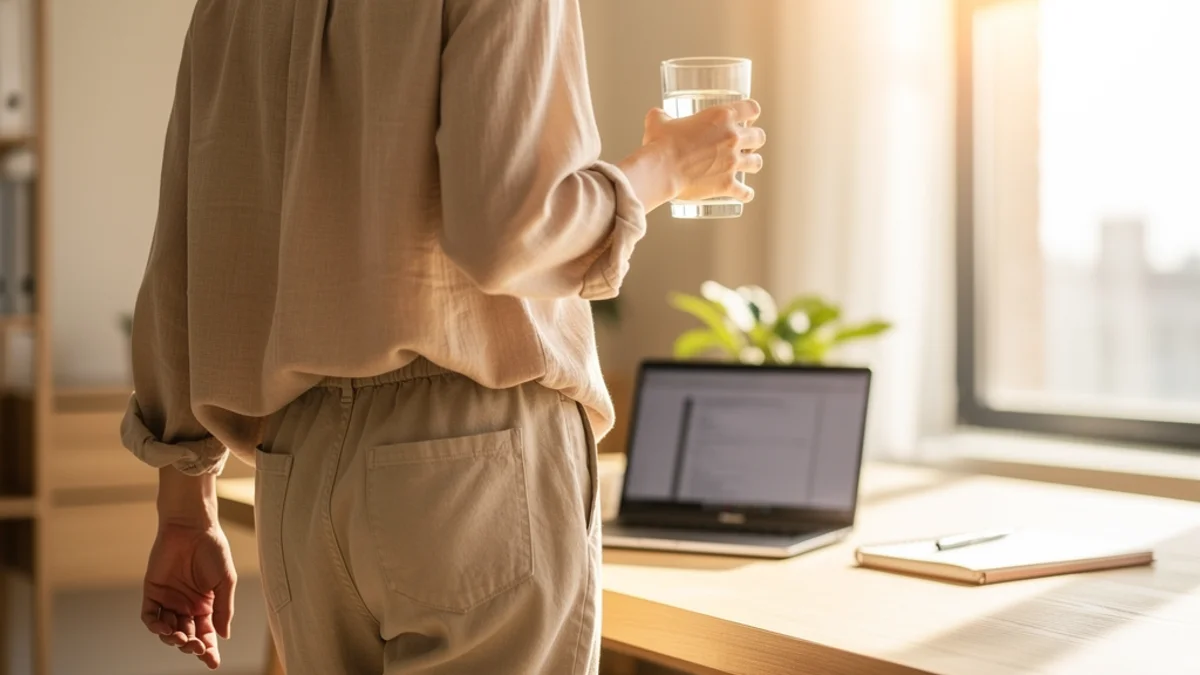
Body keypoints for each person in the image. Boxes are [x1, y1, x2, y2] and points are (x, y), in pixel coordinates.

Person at [121, 0, 765, 672]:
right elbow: (511, 231)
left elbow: (185, 250)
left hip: (300, 467)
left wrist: (184, 507)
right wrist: (664, 167)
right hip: (472, 460)